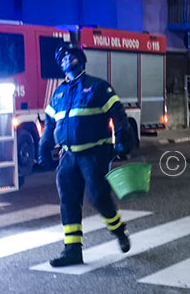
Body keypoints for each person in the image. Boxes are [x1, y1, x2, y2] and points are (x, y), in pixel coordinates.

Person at [38, 43, 132, 267]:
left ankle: (118, 230)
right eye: (62, 58)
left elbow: (118, 114)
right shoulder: (59, 93)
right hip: (68, 158)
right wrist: (43, 147)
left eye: (71, 56)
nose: (67, 60)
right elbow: (50, 124)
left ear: (81, 59)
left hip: (94, 155)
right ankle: (72, 251)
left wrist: (123, 139)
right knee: (68, 202)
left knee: (99, 197)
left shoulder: (98, 87)